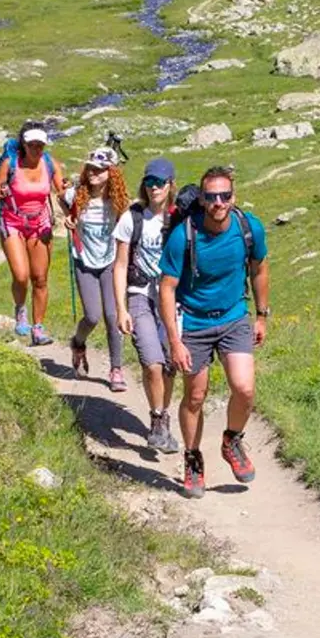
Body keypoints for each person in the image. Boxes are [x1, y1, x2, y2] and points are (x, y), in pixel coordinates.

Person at [157, 166, 269, 499]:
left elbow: (260, 268)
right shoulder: (184, 236)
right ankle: (192, 459)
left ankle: (231, 439)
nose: (218, 202)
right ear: (203, 200)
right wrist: (174, 341)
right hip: (194, 323)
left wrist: (262, 315)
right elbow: (166, 288)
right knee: (195, 396)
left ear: (234, 196)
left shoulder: (249, 228)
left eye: (225, 196)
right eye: (211, 197)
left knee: (244, 389)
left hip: (235, 316)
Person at [113, 156, 181, 453]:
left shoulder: (180, 219)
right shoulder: (132, 217)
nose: (154, 188)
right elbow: (119, 265)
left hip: (174, 299)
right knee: (151, 362)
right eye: (149, 182)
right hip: (140, 293)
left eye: (160, 183)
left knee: (169, 365)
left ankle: (164, 416)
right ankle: (156, 418)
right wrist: (121, 308)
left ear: (170, 185)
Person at [0, 121, 65, 346]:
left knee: (40, 278)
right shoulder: (9, 164)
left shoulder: (50, 163)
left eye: (40, 144)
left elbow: (61, 191)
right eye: (32, 144)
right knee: (21, 276)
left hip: (40, 224)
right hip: (12, 222)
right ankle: (20, 311)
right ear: (24, 143)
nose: (37, 149)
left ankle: (38, 327)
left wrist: (69, 192)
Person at [62, 147, 128, 392]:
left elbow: (127, 223)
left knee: (113, 316)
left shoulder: (118, 200)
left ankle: (116, 369)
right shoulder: (76, 194)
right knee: (92, 316)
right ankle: (78, 343)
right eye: (91, 168)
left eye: (100, 170)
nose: (93, 173)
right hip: (84, 260)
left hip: (110, 261)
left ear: (111, 173)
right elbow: (61, 199)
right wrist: (68, 219)